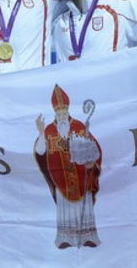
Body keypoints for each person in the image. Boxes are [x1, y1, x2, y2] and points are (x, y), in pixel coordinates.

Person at [34, 85, 102, 249]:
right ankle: (66, 239)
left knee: (83, 209)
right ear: (55, 113)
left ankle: (88, 237)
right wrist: (41, 132)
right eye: (59, 113)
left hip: (81, 176)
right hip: (61, 179)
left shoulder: (79, 126)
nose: (62, 115)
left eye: (64, 112)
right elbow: (40, 152)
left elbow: (94, 148)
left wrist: (91, 160)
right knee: (66, 209)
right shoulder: (49, 130)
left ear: (68, 111)